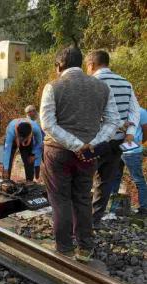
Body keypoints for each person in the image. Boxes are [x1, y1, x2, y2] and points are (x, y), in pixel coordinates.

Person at [40, 45, 119, 262]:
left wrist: (74, 144)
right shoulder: (102, 88)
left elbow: (48, 123)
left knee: (60, 199)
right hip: (89, 155)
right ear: (81, 64)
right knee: (83, 198)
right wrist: (91, 144)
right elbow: (113, 121)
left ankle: (64, 247)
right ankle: (85, 248)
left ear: (59, 65)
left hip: (58, 153)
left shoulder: (53, 87)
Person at [85, 50, 141, 227]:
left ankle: (80, 219)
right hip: (117, 142)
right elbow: (134, 110)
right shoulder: (126, 83)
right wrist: (130, 131)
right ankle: (95, 220)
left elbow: (89, 113)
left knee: (83, 179)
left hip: (95, 142)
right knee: (105, 181)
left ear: (91, 65)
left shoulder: (92, 82)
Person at [110, 107, 147, 216]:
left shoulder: (141, 112)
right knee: (115, 179)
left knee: (138, 179)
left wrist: (140, 141)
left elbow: (146, 129)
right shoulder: (117, 111)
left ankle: (144, 208)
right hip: (117, 149)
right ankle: (113, 209)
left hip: (133, 150)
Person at [25, 105, 44, 180]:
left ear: (34, 111)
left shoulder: (41, 117)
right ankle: (36, 177)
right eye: (28, 112)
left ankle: (44, 176)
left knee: (45, 157)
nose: (29, 113)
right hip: (33, 139)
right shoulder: (27, 119)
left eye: (31, 111)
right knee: (36, 159)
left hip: (43, 137)